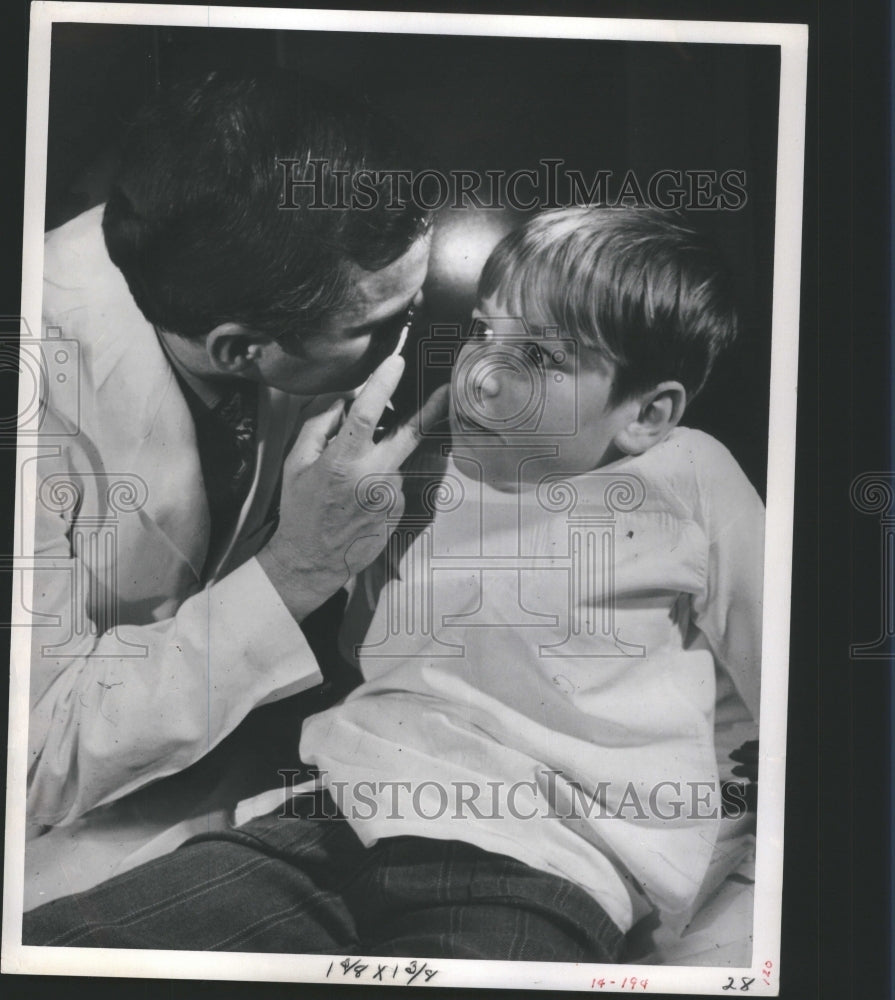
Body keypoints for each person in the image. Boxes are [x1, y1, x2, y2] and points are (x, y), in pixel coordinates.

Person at [24, 207, 763, 962]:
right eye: (481, 332)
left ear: (646, 414)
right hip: (330, 822)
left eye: (540, 357)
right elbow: (361, 653)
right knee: (60, 945)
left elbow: (788, 681)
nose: (480, 372)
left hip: (537, 862)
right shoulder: (410, 472)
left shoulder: (685, 477)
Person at [23, 70, 447, 903]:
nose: (404, 345)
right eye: (378, 328)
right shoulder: (35, 380)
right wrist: (295, 570)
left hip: (229, 762)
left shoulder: (257, 275)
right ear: (241, 350)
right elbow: (36, 756)